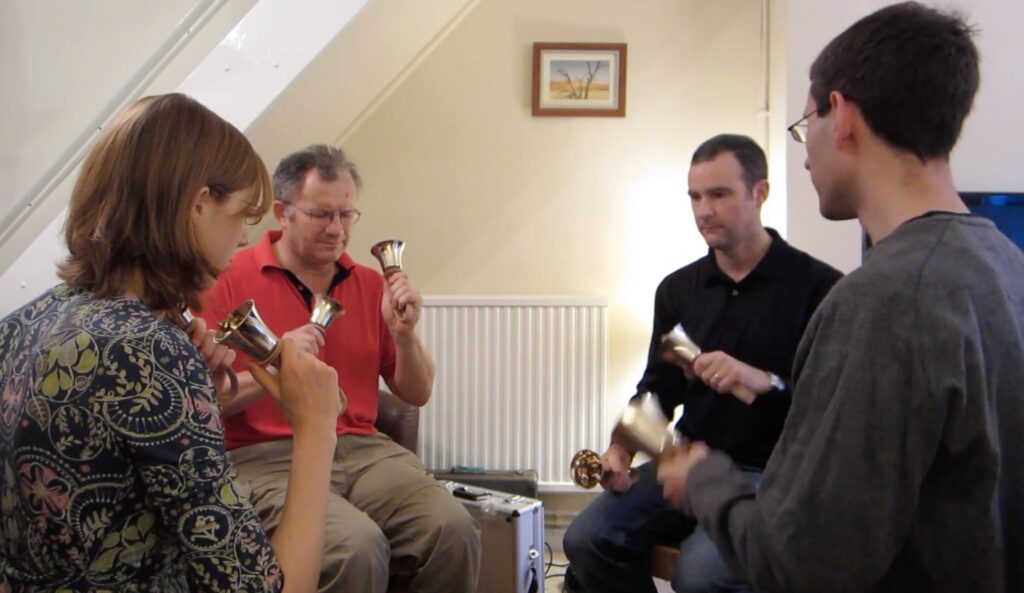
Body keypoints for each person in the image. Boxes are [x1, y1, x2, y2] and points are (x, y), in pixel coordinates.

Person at [659, 3, 1024, 592]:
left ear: (842, 115)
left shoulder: (880, 302)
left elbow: (801, 567)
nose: (806, 153)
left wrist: (706, 480)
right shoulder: (1008, 268)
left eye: (806, 128)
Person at [0, 93, 342, 593]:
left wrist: (192, 395)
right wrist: (315, 429)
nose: (244, 240)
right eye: (242, 216)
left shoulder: (22, 322)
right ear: (199, 205)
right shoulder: (150, 351)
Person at [563, 134, 842, 593]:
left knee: (699, 577)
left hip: (771, 474)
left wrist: (765, 380)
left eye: (719, 194)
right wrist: (621, 448)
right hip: (684, 464)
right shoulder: (678, 291)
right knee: (587, 540)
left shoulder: (818, 288)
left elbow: (832, 409)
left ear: (760, 193)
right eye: (695, 196)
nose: (703, 211)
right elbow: (656, 391)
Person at [199, 144, 480, 593]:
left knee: (452, 527)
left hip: (363, 452)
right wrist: (278, 363)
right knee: (354, 547)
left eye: (347, 215)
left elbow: (417, 392)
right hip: (264, 456)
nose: (337, 229)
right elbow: (202, 403)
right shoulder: (227, 277)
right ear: (282, 212)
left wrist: (405, 335)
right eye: (321, 214)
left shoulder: (370, 283)